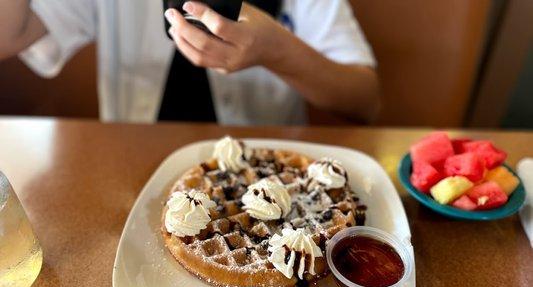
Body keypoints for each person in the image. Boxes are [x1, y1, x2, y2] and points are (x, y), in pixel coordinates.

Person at [0, 1, 379, 125]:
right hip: (133, 173)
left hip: (268, 177)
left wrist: (276, 51)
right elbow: (9, 34)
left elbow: (365, 100)